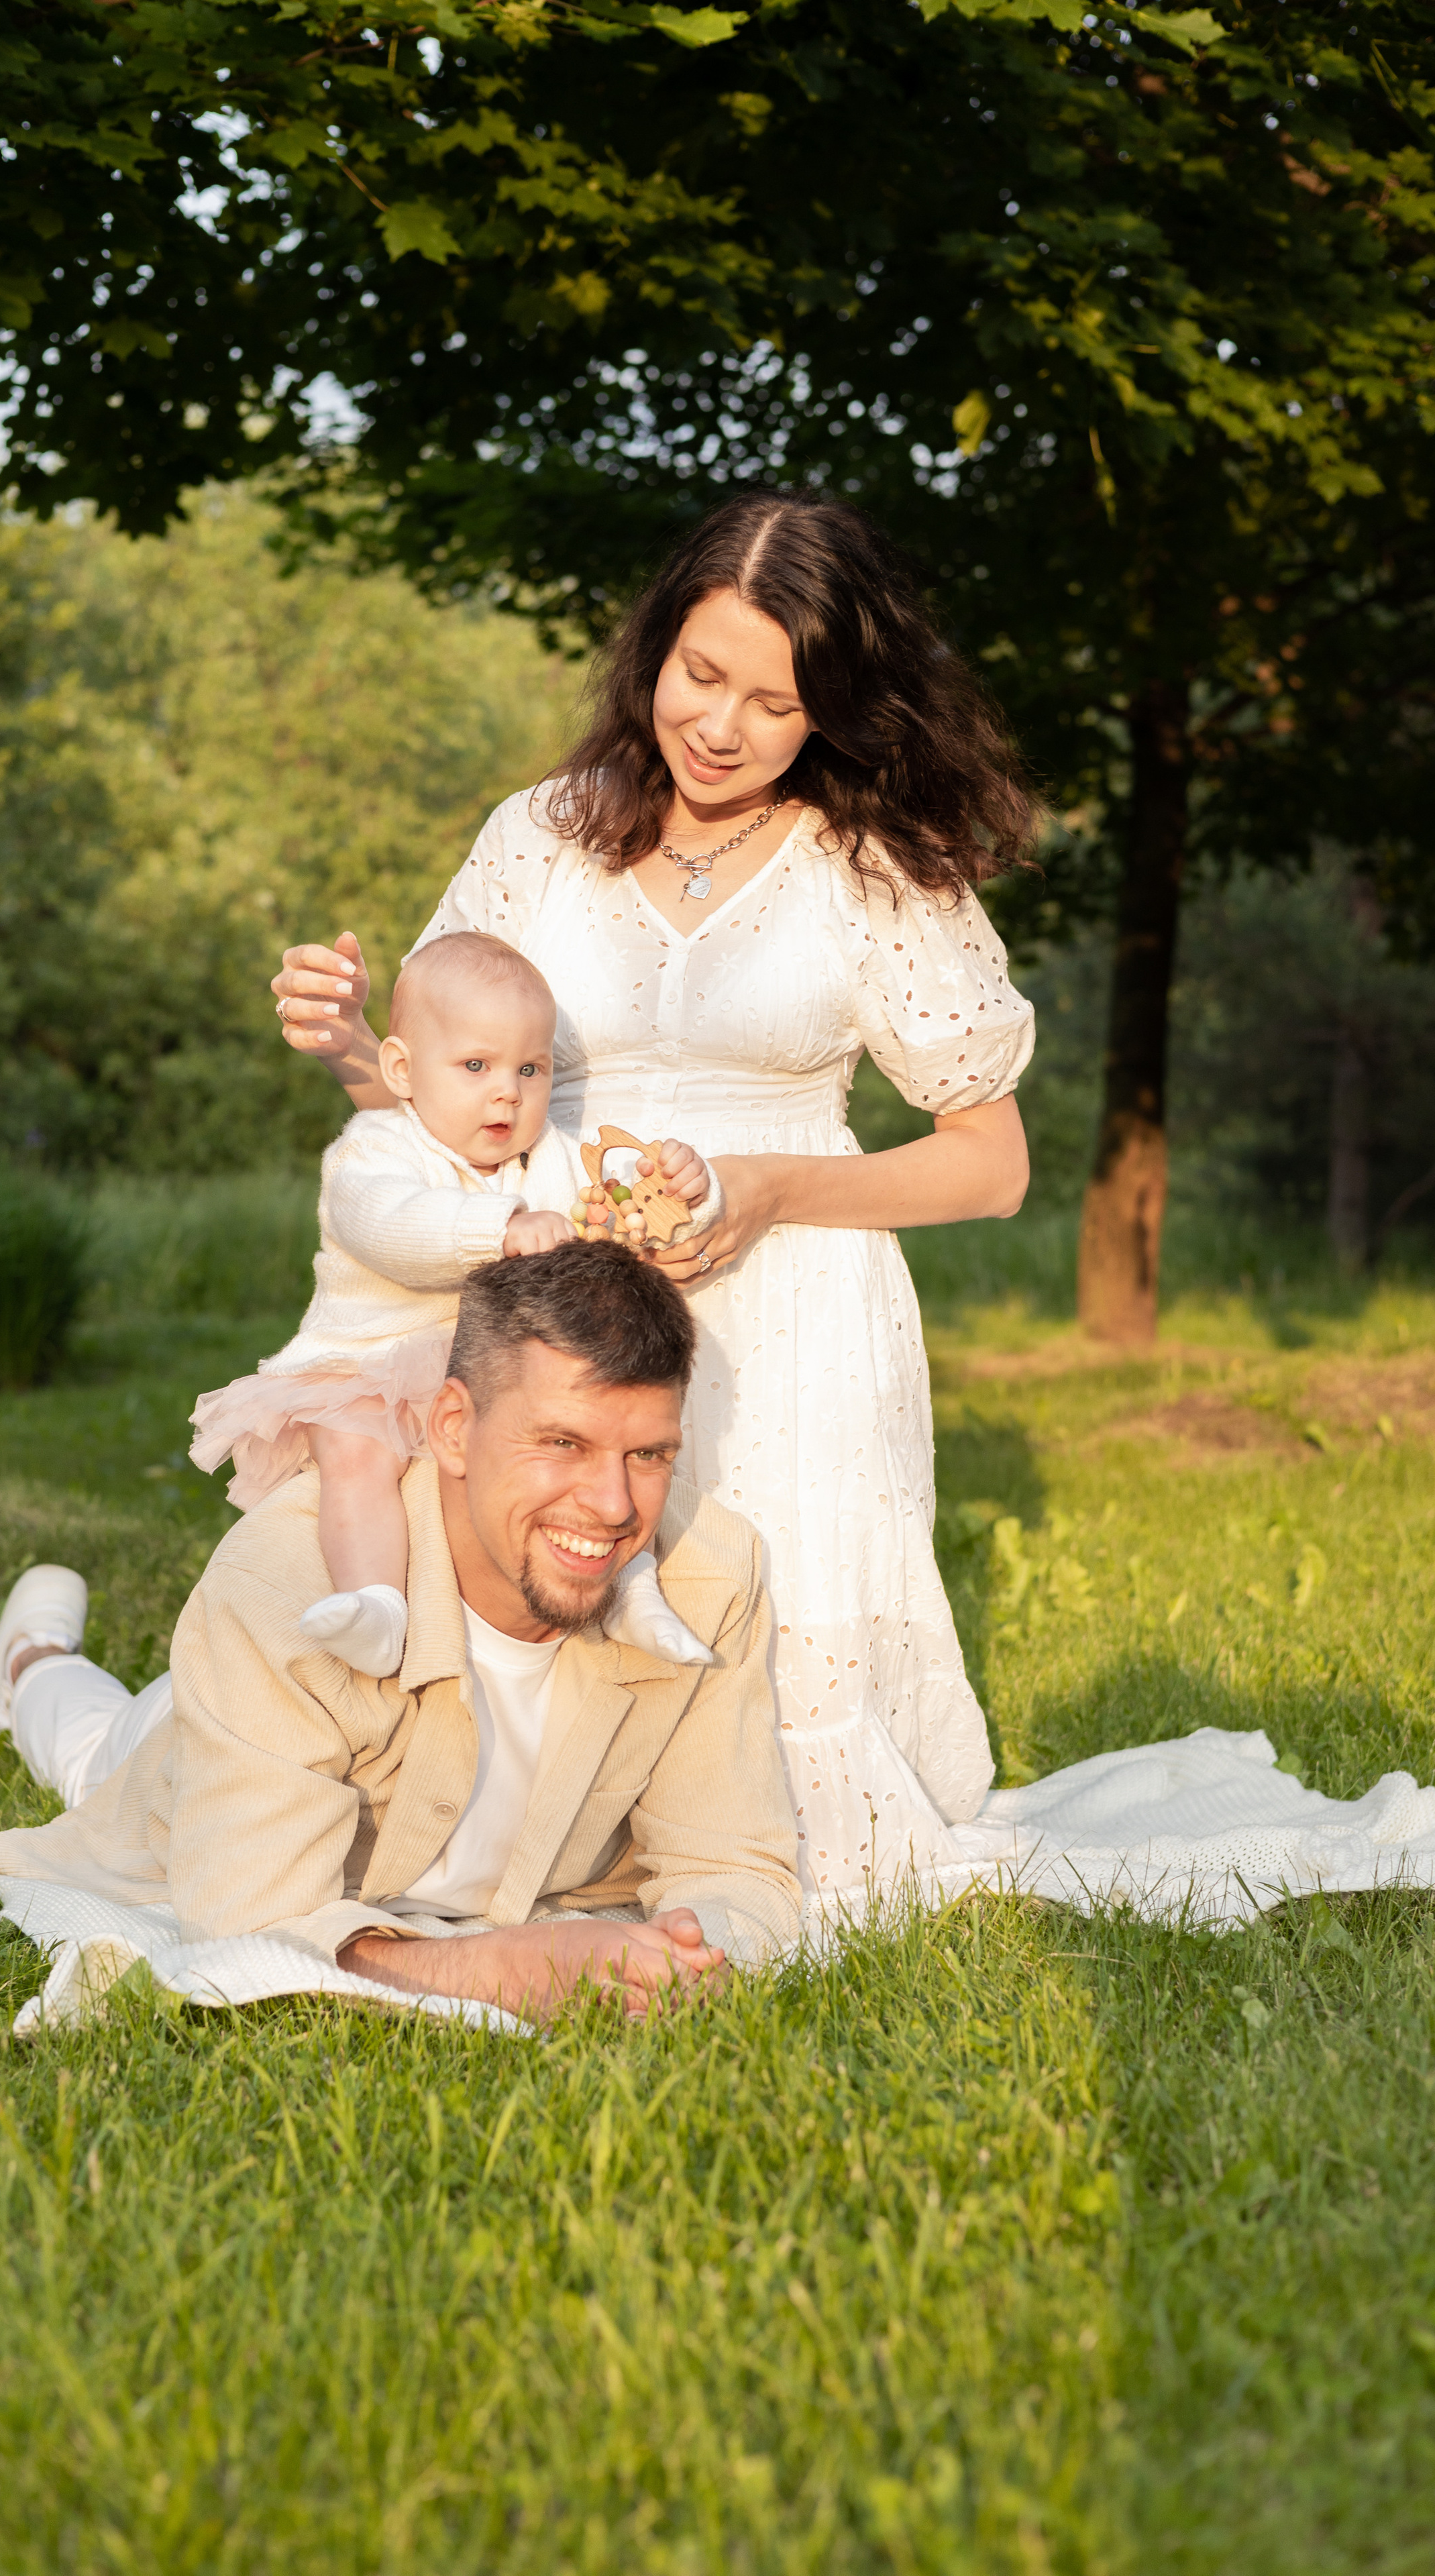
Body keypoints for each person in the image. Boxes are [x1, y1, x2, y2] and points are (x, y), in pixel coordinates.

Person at [270, 490, 1039, 1891]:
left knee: (783, 1825)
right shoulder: (541, 836)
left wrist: (763, 1189)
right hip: (555, 1307)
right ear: (652, 652)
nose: (721, 725)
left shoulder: (876, 873)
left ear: (835, 712)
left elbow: (992, 1165)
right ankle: (40, 1666)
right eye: (700, 673)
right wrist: (345, 1052)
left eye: (775, 699)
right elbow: (451, 1104)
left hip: (792, 1319)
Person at [0, 1243, 802, 2023]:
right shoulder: (287, 1583)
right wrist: (502, 1969)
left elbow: (732, 1864)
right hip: (196, 1745)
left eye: (649, 1456)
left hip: (267, 1710)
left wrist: (688, 1960)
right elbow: (252, 1929)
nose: (615, 1507)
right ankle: (30, 1657)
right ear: (450, 1428)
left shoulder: (712, 1574)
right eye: (561, 1442)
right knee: (95, 1753)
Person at [185, 929, 719, 1680]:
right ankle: (376, 1604)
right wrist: (498, 1229)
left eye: (530, 1069)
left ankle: (632, 1591)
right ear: (400, 1069)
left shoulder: (555, 1158)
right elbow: (386, 1225)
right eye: (476, 1066)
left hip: (491, 1375)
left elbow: (629, 1200)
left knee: (603, 1453)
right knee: (356, 1458)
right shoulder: (375, 1149)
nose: (507, 1090)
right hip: (368, 1363)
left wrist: (692, 1185)